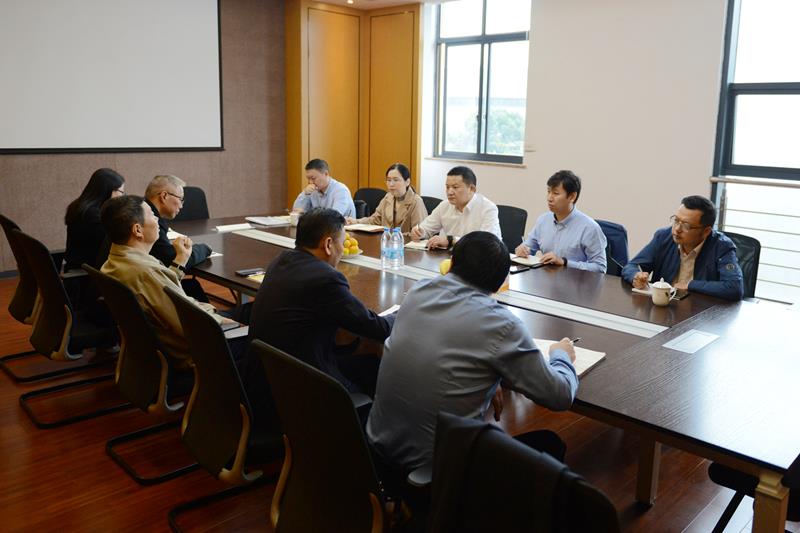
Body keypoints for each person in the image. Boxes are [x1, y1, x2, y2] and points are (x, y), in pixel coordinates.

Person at [366, 231, 579, 473]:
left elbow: (445, 343)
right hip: (437, 473)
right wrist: (561, 355)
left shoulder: (419, 291)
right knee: (550, 444)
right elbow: (560, 395)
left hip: (376, 455)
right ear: (500, 282)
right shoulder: (501, 325)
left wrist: (489, 373)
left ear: (452, 263)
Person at [249, 207, 393, 396]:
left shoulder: (281, 260)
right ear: (328, 244)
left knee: (362, 357)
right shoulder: (325, 279)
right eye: (342, 242)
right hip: (302, 388)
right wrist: (402, 314)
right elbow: (376, 328)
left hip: (264, 377)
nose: (342, 249)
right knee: (374, 366)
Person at [99, 195, 231, 364]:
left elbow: (160, 290)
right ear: (138, 230)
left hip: (158, 350)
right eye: (152, 215)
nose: (157, 220)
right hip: (197, 353)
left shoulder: (115, 261)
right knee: (252, 316)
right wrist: (225, 320)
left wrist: (180, 260)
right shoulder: (145, 272)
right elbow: (190, 325)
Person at [622, 195, 744, 301]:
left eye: (686, 225)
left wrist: (690, 285)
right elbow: (631, 266)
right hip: (664, 306)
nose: (677, 229)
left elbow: (734, 288)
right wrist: (635, 276)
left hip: (700, 310)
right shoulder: (663, 237)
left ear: (706, 231)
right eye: (676, 220)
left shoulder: (722, 246)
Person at [515, 170, 607, 273]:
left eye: (555, 193)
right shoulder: (543, 220)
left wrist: (565, 262)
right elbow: (528, 247)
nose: (549, 198)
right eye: (548, 191)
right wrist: (522, 250)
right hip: (545, 279)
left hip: (575, 281)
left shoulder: (590, 228)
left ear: (572, 197)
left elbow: (600, 268)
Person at [410, 166, 502, 249]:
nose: (449, 192)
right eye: (447, 187)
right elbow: (426, 228)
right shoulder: (444, 206)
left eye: (455, 187)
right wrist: (419, 232)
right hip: (450, 257)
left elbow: (487, 243)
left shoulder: (488, 208)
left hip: (482, 258)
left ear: (471, 189)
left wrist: (451, 240)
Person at [144, 174, 212, 269]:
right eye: (180, 199)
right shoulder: (150, 221)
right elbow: (175, 260)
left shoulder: (143, 210)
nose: (181, 206)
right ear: (164, 196)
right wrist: (205, 249)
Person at [63, 168, 125, 271]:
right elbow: (113, 244)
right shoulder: (93, 217)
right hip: (88, 274)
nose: (122, 196)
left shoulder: (80, 207)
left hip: (76, 267)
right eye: (121, 192)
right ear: (109, 191)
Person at [345, 163, 427, 234]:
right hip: (386, 242)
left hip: (406, 244)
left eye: (396, 180)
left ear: (407, 182)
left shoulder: (416, 202)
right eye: (388, 180)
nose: (391, 184)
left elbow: (419, 232)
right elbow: (374, 220)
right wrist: (356, 222)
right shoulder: (388, 197)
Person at [292, 158, 356, 218]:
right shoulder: (312, 190)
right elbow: (296, 212)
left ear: (326, 174)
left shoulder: (341, 190)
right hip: (321, 225)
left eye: (313, 178)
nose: (310, 182)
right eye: (308, 179)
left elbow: (334, 217)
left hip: (343, 226)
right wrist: (305, 194)